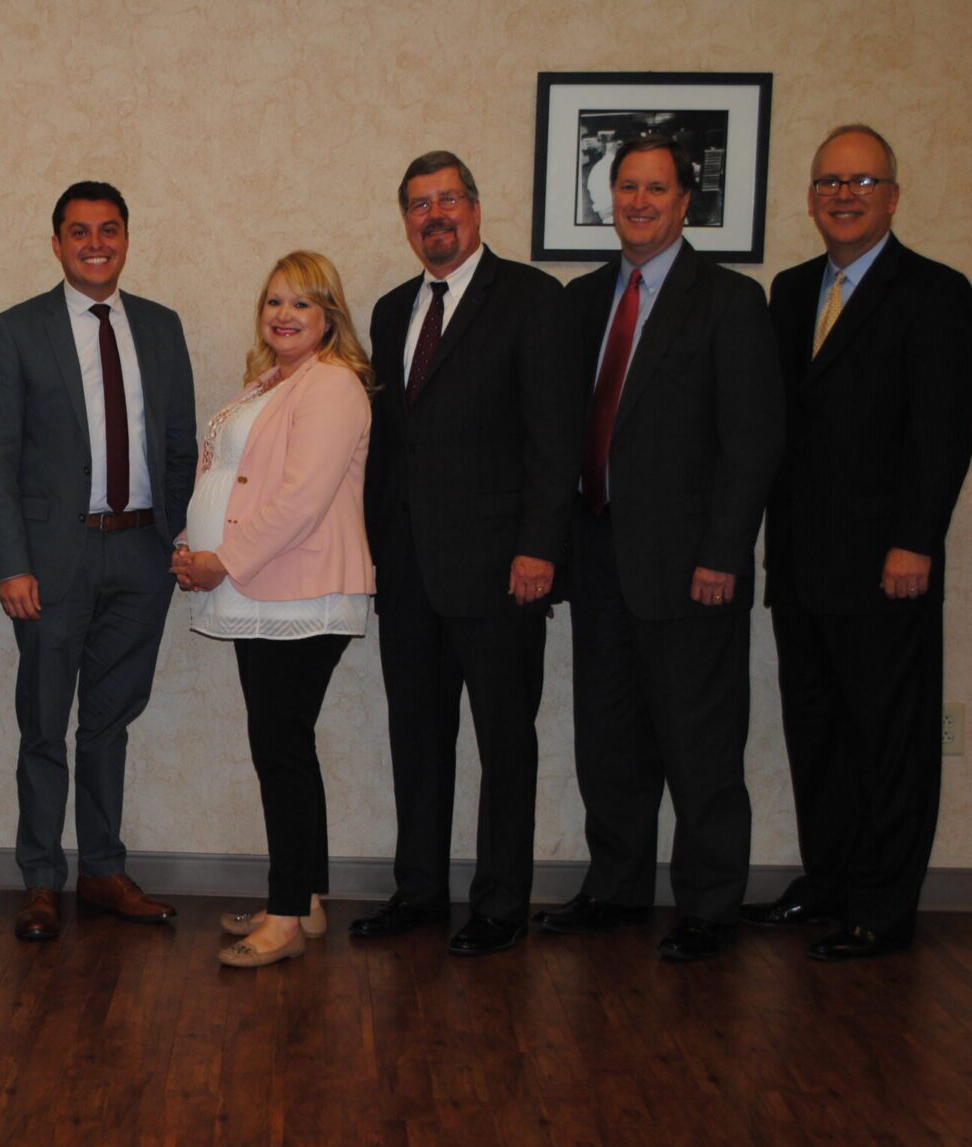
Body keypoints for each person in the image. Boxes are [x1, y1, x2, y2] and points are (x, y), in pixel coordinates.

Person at [536, 136, 785, 962]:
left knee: (699, 743)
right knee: (608, 739)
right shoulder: (583, 300)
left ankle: (709, 905)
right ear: (610, 197)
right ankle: (616, 888)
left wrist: (724, 554)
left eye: (656, 188)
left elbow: (752, 442)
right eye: (627, 187)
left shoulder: (729, 300)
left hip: (691, 567)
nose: (639, 202)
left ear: (685, 202)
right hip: (598, 553)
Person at [743, 125, 972, 960]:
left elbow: (943, 432)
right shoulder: (792, 290)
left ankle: (884, 904)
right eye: (829, 182)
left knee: (888, 738)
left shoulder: (935, 292)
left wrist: (915, 541)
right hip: (802, 561)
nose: (843, 195)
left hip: (886, 566)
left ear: (894, 196)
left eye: (862, 181)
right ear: (811, 198)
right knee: (818, 732)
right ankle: (830, 881)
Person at [349, 151, 582, 957]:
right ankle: (418, 891)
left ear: (476, 210)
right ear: (406, 221)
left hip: (502, 571)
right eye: (419, 204)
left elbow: (556, 439)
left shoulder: (532, 300)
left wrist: (540, 549)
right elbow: (390, 447)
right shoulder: (391, 311)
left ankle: (500, 903)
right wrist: (370, 553)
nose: (434, 215)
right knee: (416, 739)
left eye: (447, 199)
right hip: (408, 570)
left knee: (504, 743)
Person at [0, 181, 198, 942]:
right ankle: (41, 879)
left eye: (109, 229)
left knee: (110, 722)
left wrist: (178, 541)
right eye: (79, 231)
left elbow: (179, 447)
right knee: (44, 725)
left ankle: (103, 868)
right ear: (57, 243)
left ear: (126, 238)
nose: (95, 243)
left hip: (141, 554)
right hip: (50, 563)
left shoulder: (162, 327)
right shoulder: (16, 330)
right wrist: (11, 564)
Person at [170, 252, 374, 968]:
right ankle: (304, 897)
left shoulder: (334, 384)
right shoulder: (269, 382)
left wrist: (223, 558)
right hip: (259, 589)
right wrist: (189, 545)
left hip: (302, 590)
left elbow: (300, 501)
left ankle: (285, 916)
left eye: (302, 303)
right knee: (284, 746)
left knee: (280, 748)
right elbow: (229, 479)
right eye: (274, 302)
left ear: (329, 317)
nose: (284, 315)